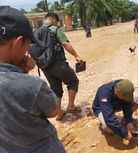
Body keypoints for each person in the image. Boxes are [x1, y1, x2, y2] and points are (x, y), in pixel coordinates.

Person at [0, 6, 66, 153]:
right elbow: (53, 111)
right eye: (28, 45)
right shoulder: (31, 85)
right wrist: (24, 75)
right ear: (18, 43)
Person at [41, 12, 84, 120]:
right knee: (73, 81)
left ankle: (59, 113)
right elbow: (65, 43)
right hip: (57, 63)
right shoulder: (54, 29)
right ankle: (71, 105)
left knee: (56, 89)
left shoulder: (36, 32)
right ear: (54, 20)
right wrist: (77, 56)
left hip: (44, 66)